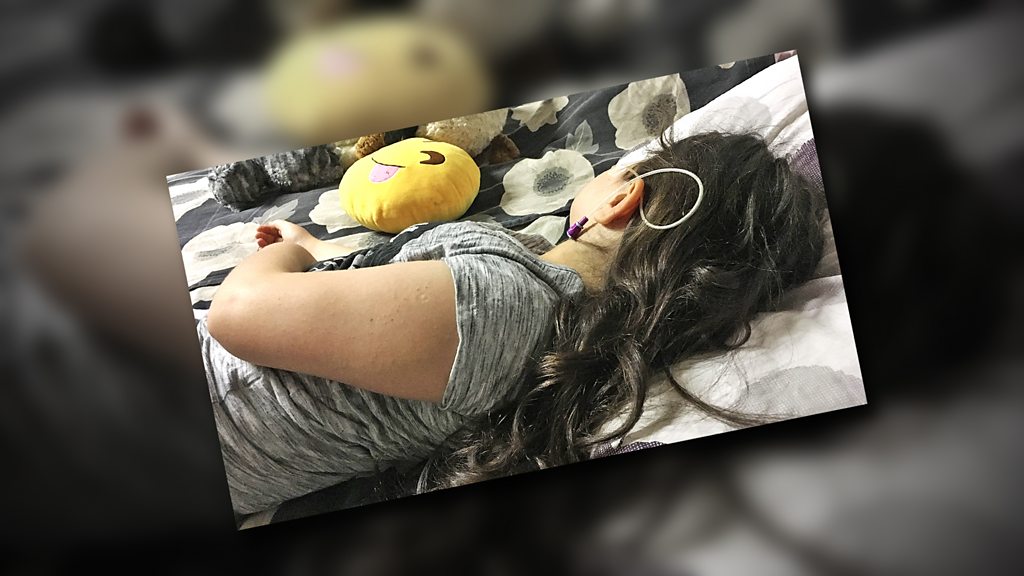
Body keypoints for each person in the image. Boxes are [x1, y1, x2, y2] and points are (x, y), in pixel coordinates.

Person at [200, 131, 825, 515]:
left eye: (623, 167)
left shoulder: (497, 304)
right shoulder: (539, 314)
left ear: (621, 197)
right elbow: (386, 300)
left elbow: (238, 313)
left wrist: (286, 259)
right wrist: (316, 247)